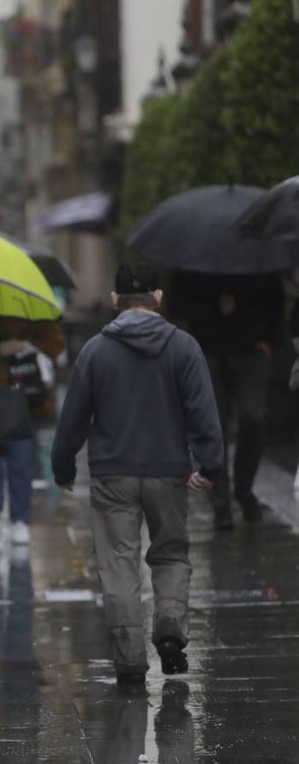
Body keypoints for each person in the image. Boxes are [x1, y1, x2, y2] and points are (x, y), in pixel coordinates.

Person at [52, 262, 224, 690]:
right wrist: (211, 463)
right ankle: (170, 630)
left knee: (118, 564)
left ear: (114, 302)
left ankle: (130, 660)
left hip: (113, 473)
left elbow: (73, 416)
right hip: (168, 470)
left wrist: (63, 464)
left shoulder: (95, 350)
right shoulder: (184, 348)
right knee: (170, 552)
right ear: (158, 297)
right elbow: (203, 412)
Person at [166, 270, 284, 529]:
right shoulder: (195, 259)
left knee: (253, 418)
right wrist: (213, 308)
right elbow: (176, 303)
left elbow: (275, 300)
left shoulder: (257, 255)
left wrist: (271, 341)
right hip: (208, 353)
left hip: (251, 352)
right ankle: (220, 499)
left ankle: (244, 488)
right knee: (212, 426)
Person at [0, 318, 65, 546]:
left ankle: (20, 519)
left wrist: (25, 345)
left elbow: (55, 346)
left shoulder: (34, 312)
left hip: (24, 399)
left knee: (21, 460)